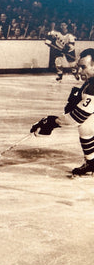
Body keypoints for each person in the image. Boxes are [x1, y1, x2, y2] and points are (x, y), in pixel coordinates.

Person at [30, 48, 94, 176]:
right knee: (87, 125)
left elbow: (76, 118)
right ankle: (92, 163)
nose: (80, 71)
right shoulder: (90, 82)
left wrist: (51, 122)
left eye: (83, 67)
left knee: (84, 122)